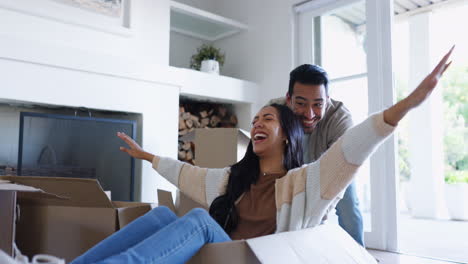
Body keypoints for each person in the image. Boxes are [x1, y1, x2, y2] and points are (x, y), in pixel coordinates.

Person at [71, 47, 453, 264]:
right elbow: (186, 174)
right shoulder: (235, 178)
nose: (256, 123)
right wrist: (146, 155)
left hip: (256, 259)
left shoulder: (306, 183)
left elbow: (354, 148)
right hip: (224, 254)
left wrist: (408, 104)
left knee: (201, 221)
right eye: (256, 119)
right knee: (162, 215)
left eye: (267, 119)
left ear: (287, 134)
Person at [270, 64, 364, 245]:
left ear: (327, 100)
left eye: (318, 104)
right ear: (288, 99)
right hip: (288, 163)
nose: (309, 114)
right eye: (301, 103)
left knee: (349, 207)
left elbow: (340, 171)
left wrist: (318, 211)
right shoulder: (273, 112)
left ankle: (359, 256)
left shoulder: (341, 119)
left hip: (334, 164)